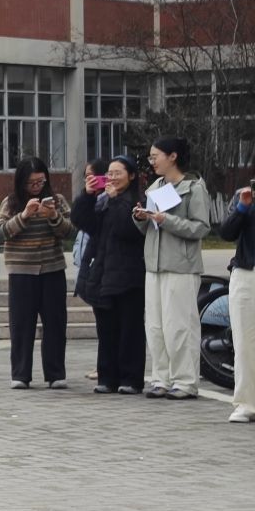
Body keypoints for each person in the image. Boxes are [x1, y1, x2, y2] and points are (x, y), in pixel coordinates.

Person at [134, 134, 212, 400]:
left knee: (179, 325)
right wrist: (142, 218)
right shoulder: (155, 187)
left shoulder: (194, 187)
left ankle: (185, 381)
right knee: (155, 326)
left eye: (155, 156)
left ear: (173, 157)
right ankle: (161, 379)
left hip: (181, 266)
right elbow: (149, 229)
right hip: (154, 265)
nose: (152, 161)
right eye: (150, 157)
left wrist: (165, 220)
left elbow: (201, 228)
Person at [0, 154, 74, 391]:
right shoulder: (11, 202)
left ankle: (55, 374)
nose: (37, 186)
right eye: (31, 183)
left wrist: (53, 216)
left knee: (55, 323)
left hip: (52, 268)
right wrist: (24, 215)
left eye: (40, 181)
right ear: (21, 182)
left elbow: (70, 231)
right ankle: (21, 374)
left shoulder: (57, 201)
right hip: (22, 271)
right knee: (21, 325)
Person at [74, 153, 147, 396]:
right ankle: (107, 377)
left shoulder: (138, 201)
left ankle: (131, 379)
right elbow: (82, 222)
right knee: (106, 330)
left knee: (130, 330)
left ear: (132, 176)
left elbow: (126, 229)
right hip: (103, 273)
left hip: (129, 275)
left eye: (118, 173)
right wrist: (87, 195)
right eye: (110, 173)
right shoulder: (102, 201)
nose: (113, 178)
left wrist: (115, 200)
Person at [223, 174, 255, 423]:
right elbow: (226, 232)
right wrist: (243, 207)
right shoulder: (245, 197)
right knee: (244, 341)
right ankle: (246, 403)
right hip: (246, 272)